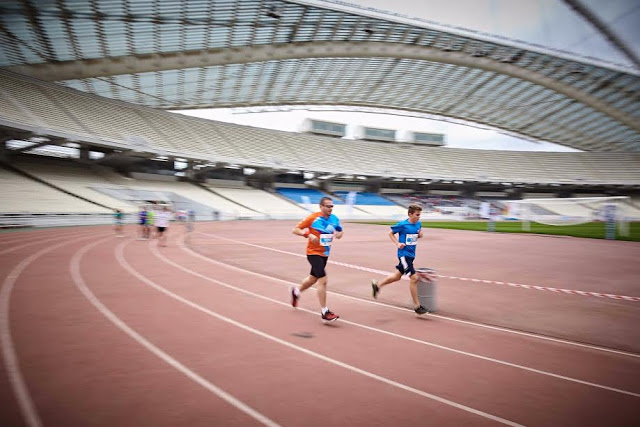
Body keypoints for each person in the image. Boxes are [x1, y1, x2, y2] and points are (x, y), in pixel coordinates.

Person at [290, 197, 344, 323]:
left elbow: (340, 230)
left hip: (325, 254)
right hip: (313, 253)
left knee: (313, 278)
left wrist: (340, 234)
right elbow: (295, 229)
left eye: (332, 206)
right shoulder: (313, 218)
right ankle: (325, 312)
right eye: (328, 206)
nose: (330, 208)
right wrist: (308, 234)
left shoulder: (334, 218)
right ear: (321, 207)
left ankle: (296, 291)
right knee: (323, 280)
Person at [371, 204, 429, 315]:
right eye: (417, 215)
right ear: (410, 214)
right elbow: (390, 233)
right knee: (414, 278)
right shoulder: (403, 224)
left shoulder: (418, 223)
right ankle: (417, 306)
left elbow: (419, 232)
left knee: (397, 277)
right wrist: (397, 243)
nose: (419, 217)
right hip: (404, 255)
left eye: (420, 215)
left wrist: (420, 234)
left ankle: (377, 286)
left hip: (411, 255)